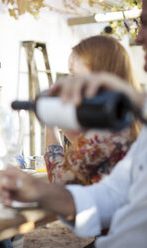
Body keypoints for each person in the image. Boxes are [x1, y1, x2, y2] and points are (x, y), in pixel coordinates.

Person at [0, 3, 147, 247]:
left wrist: (52, 125)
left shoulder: (107, 133)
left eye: (76, 76)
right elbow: (111, 194)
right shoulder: (132, 121)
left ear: (99, 75)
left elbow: (61, 178)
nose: (138, 36)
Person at [44, 35, 141, 185]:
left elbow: (59, 179)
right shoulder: (128, 115)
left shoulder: (110, 128)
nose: (72, 82)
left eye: (75, 75)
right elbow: (90, 156)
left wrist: (49, 121)